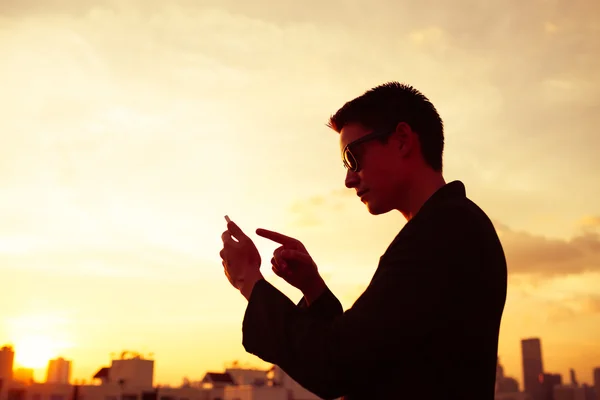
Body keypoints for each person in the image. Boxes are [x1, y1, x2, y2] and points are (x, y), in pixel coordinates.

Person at [219, 82, 507, 399]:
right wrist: (313, 289)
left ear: (401, 141)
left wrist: (248, 279)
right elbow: (367, 356)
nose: (348, 178)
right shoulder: (449, 226)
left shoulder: (444, 232)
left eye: (353, 158)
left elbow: (337, 366)